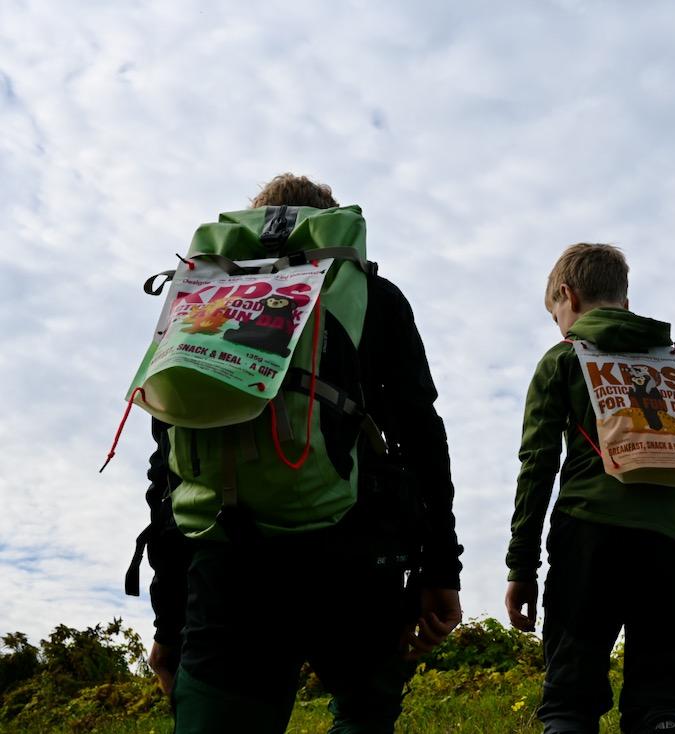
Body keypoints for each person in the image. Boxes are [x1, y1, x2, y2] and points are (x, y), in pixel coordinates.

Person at [141, 174, 463, 733]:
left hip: (226, 566)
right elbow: (420, 438)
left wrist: (170, 625)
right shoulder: (368, 294)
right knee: (364, 713)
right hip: (352, 560)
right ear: (330, 225)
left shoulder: (199, 301)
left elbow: (167, 469)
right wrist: (441, 569)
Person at [505, 243, 675, 734]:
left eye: (555, 313)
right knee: (663, 703)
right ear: (624, 301)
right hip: (669, 547)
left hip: (587, 535)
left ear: (568, 294)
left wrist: (522, 565)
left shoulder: (562, 360)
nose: (558, 326)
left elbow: (537, 466)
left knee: (570, 702)